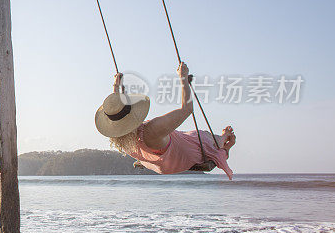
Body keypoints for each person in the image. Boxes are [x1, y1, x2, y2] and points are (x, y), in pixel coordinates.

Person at [95, 62, 235, 179]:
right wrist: (183, 79)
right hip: (178, 159)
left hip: (156, 163)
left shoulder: (120, 137)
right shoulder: (151, 130)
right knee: (204, 139)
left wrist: (116, 88)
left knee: (189, 134)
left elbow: (116, 110)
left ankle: (219, 139)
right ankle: (225, 140)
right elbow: (186, 110)